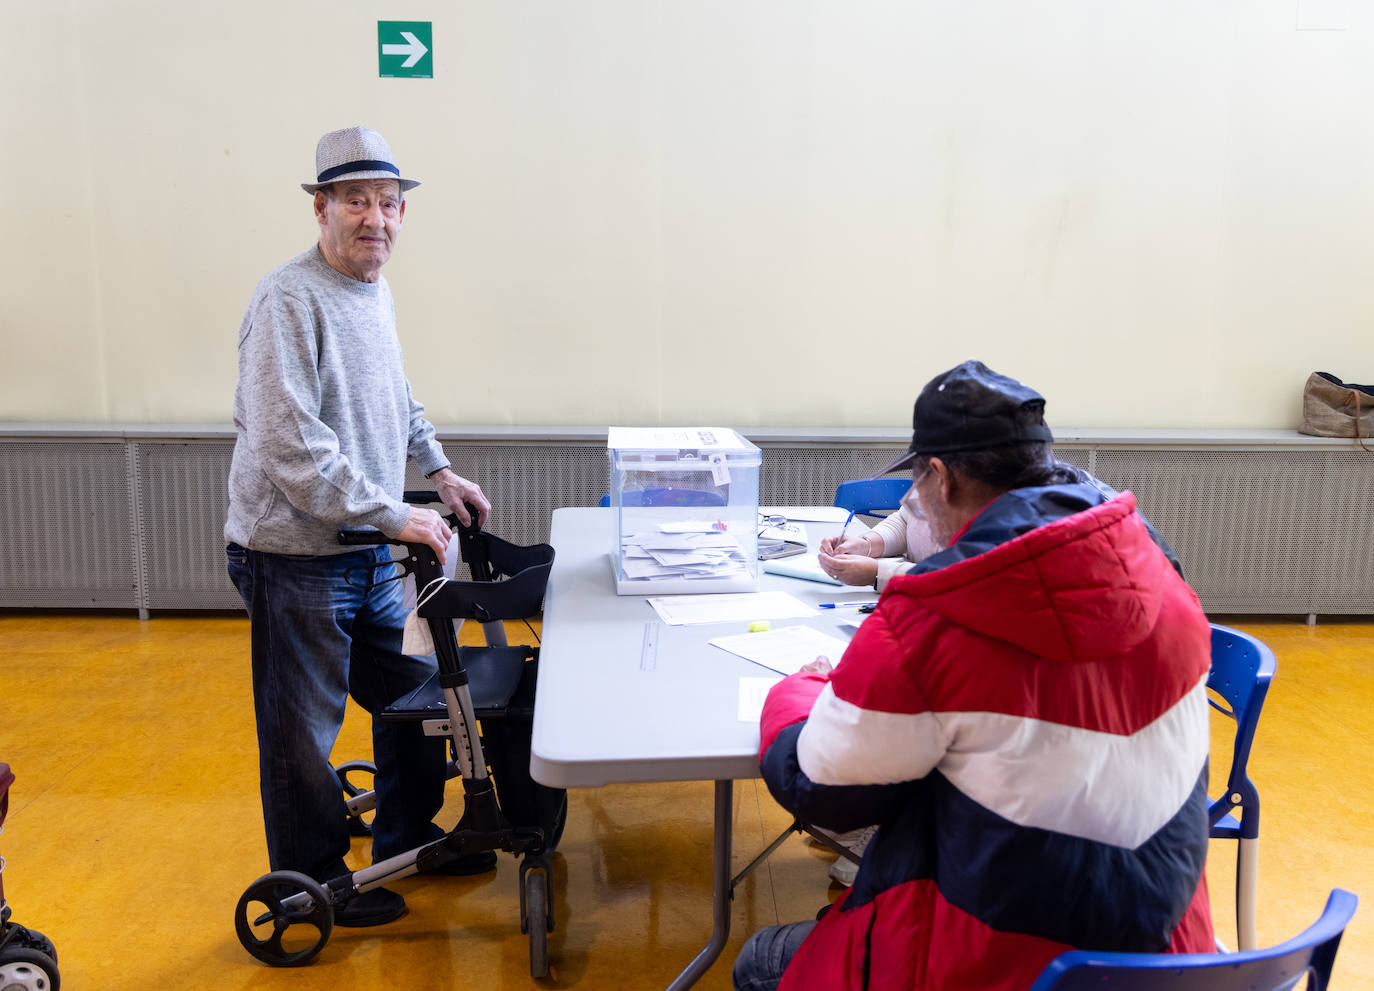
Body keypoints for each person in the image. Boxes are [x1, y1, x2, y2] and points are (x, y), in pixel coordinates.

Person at [734, 360, 1214, 991]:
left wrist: (799, 691)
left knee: (759, 962)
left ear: (937, 474)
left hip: (1001, 958)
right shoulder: (1156, 573)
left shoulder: (934, 617)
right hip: (1167, 951)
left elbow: (824, 790)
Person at [225, 126, 493, 928]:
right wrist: (394, 513)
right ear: (321, 208)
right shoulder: (289, 297)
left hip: (369, 548)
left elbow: (398, 398)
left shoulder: (372, 292)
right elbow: (290, 444)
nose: (374, 218)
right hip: (295, 555)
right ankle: (313, 885)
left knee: (415, 698)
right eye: (356, 201)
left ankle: (409, 844)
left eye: (388, 203)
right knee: (303, 734)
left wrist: (438, 469)